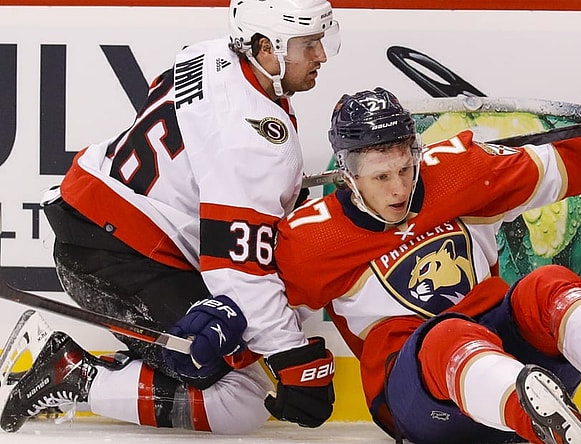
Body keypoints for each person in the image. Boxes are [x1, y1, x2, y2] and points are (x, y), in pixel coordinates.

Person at [273, 78, 581, 444]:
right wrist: (226, 345)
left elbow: (558, 166)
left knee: (546, 284)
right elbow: (259, 301)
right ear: (349, 177)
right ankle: (531, 413)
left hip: (513, 356)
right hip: (419, 400)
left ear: (415, 153)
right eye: (381, 177)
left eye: (406, 168)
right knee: (448, 332)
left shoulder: (458, 173)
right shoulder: (311, 239)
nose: (399, 189)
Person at [1, 0, 339, 435]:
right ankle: (73, 374)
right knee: (242, 399)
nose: (321, 56)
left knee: (239, 339)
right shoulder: (253, 140)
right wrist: (292, 359)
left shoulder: (208, 53)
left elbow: (203, 157)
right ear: (264, 47)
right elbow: (238, 271)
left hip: (102, 224)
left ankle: (134, 361)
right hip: (115, 258)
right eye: (308, 44)